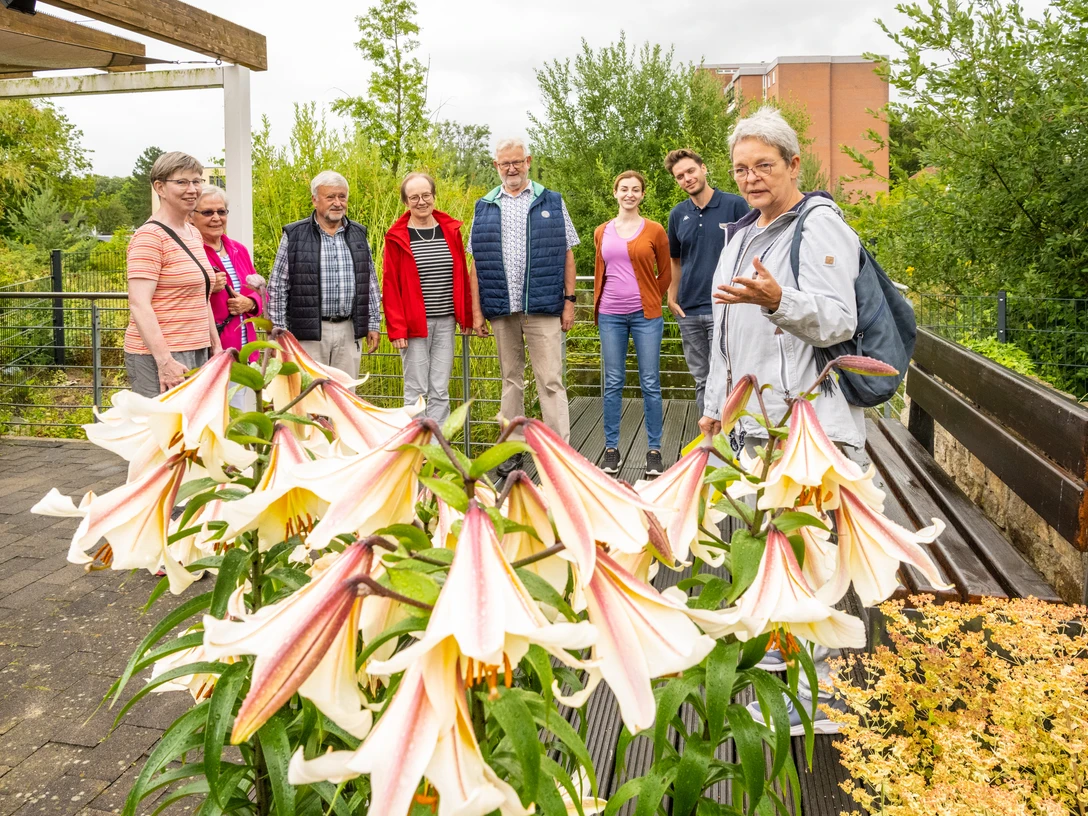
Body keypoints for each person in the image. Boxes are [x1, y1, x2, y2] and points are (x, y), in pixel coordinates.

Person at [699, 106, 865, 737]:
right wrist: (714, 407)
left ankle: (819, 699)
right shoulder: (742, 235)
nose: (751, 178)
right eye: (741, 168)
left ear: (794, 164)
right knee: (775, 552)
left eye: (764, 165)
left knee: (807, 553)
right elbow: (724, 337)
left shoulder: (819, 225)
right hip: (753, 424)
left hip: (803, 425)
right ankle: (785, 665)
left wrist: (778, 299)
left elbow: (839, 320)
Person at [467, 138, 580, 477]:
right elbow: (475, 263)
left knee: (551, 381)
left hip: (543, 307)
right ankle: (512, 449)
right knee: (510, 380)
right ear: (496, 166)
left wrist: (569, 302)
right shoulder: (483, 206)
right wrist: (476, 312)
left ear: (528, 161)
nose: (512, 168)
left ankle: (557, 452)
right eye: (505, 163)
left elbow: (568, 254)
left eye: (517, 161)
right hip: (502, 308)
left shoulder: (552, 201)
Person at [592, 171, 671, 478]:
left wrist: (650, 297)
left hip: (645, 317)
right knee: (613, 382)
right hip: (610, 315)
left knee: (650, 382)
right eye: (624, 189)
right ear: (615, 192)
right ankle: (611, 449)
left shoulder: (654, 230)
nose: (629, 194)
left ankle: (654, 451)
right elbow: (601, 271)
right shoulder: (602, 231)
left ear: (642, 195)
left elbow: (665, 273)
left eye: (635, 189)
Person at [124, 151, 221, 397]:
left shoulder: (193, 233)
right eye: (182, 182)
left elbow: (202, 296)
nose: (192, 189)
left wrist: (215, 345)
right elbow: (139, 304)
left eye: (197, 181)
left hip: (197, 349)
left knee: (193, 421)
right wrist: (165, 361)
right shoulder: (150, 237)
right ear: (160, 187)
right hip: (161, 356)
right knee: (162, 421)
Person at [267, 170, 381, 379]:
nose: (337, 203)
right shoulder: (294, 235)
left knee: (344, 392)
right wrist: (278, 333)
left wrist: (373, 324)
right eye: (330, 197)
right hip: (307, 335)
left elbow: (370, 282)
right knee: (309, 394)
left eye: (342, 196)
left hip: (349, 331)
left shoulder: (358, 234)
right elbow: (277, 287)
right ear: (315, 200)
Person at [382, 172, 472, 423]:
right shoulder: (396, 236)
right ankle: (417, 445)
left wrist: (466, 316)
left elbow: (461, 276)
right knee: (416, 391)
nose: (421, 202)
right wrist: (397, 329)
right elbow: (390, 285)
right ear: (406, 202)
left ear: (434, 196)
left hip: (446, 322)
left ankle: (438, 444)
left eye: (426, 195)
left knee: (440, 390)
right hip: (414, 326)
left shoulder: (450, 230)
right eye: (414, 197)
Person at [665, 148, 748, 418]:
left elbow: (750, 253)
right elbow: (676, 260)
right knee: (702, 379)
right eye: (680, 176)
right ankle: (709, 438)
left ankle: (730, 437)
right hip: (688, 310)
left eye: (690, 171)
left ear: (703, 168)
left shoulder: (735, 205)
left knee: (725, 377)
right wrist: (671, 297)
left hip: (724, 306)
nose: (687, 178)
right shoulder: (677, 214)